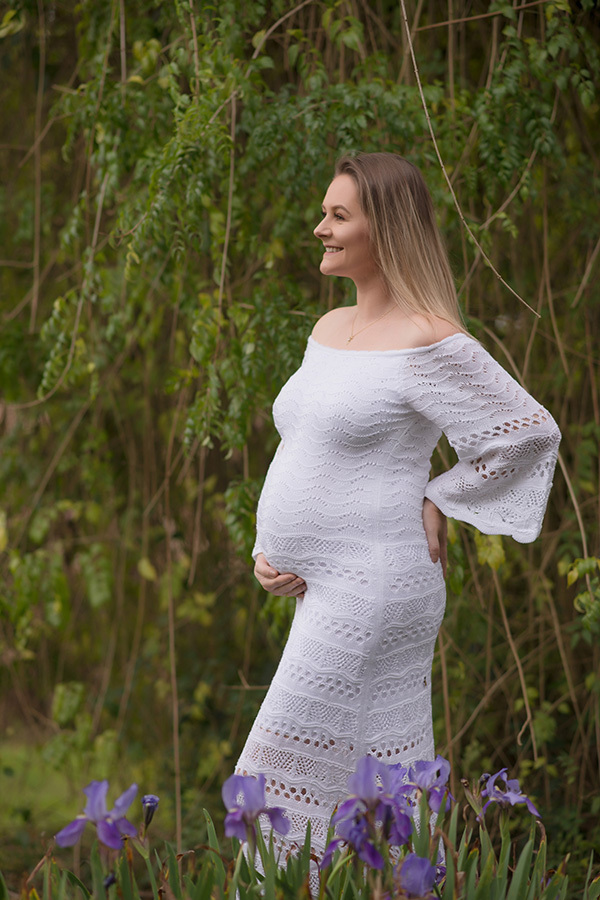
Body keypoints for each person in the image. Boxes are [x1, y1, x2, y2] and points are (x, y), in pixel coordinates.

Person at [234, 153, 560, 863]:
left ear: (386, 229)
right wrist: (269, 550)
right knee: (357, 781)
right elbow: (312, 447)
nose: (319, 227)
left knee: (274, 778)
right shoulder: (327, 330)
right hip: (321, 586)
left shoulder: (426, 338)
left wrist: (439, 495)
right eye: (325, 212)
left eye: (338, 215)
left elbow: (528, 433)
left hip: (377, 579)